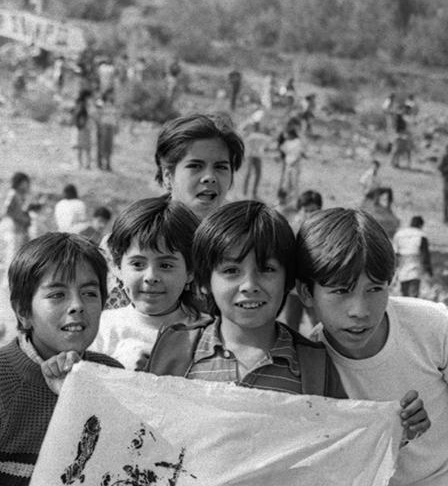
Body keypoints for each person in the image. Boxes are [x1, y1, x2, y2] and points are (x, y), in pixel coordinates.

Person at [296, 208, 448, 486]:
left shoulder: (434, 326)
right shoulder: (308, 364)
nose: (360, 310)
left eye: (375, 288)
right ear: (307, 292)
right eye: (341, 291)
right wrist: (392, 433)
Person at [143, 200, 345, 397]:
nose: (249, 285)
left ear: (288, 280)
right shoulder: (174, 348)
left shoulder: (315, 366)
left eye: (267, 269)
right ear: (204, 282)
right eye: (231, 270)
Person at [1, 233, 123, 484]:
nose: (77, 305)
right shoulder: (3, 380)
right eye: (57, 294)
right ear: (23, 311)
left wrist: (76, 395)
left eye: (89, 293)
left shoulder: (113, 376)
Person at [90, 197, 205, 370]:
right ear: (117, 267)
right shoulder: (100, 328)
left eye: (165, 265)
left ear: (190, 272)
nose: (150, 277)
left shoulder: (208, 332)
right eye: (137, 264)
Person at [154, 113, 245, 220]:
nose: (210, 177)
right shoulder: (144, 233)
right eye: (195, 166)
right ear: (168, 177)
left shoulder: (240, 233)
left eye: (220, 167)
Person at [283, 190, 323, 333]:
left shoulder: (324, 231)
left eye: (314, 210)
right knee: (291, 325)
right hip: (293, 288)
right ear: (300, 210)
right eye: (306, 210)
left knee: (319, 323)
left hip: (313, 288)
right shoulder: (290, 230)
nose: (309, 214)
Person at [392, 216, 433, 298]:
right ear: (421, 225)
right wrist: (429, 270)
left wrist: (393, 271)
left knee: (404, 295)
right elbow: (425, 255)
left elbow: (394, 253)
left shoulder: (399, 234)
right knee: (413, 295)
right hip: (415, 265)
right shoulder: (421, 235)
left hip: (402, 266)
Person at [1, 172, 32, 272]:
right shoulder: (13, 193)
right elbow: (7, 210)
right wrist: (21, 218)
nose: (26, 185)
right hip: (12, 229)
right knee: (12, 258)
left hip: (18, 229)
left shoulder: (19, 195)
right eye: (25, 182)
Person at [240, 110, 271, 200]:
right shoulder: (250, 129)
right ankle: (245, 193)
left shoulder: (259, 131)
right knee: (249, 174)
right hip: (250, 154)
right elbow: (242, 131)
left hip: (257, 155)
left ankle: (253, 192)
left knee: (257, 174)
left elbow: (266, 139)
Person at [95, 89, 119, 172]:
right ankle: (100, 163)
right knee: (102, 146)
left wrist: (117, 126)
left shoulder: (113, 104)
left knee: (109, 146)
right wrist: (99, 126)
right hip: (103, 126)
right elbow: (98, 115)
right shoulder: (101, 103)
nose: (111, 95)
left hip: (111, 126)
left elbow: (116, 116)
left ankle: (108, 164)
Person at [280, 127, 304, 205]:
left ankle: (295, 202)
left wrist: (293, 163)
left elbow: (298, 154)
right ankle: (287, 201)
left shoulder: (297, 142)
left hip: (295, 166)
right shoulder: (287, 142)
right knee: (287, 183)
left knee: (294, 184)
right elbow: (282, 149)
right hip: (288, 164)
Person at [71, 90, 92, 170]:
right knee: (81, 146)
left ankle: (86, 164)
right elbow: (77, 115)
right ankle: (81, 164)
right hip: (81, 127)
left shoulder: (86, 105)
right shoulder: (81, 104)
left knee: (86, 146)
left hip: (85, 127)